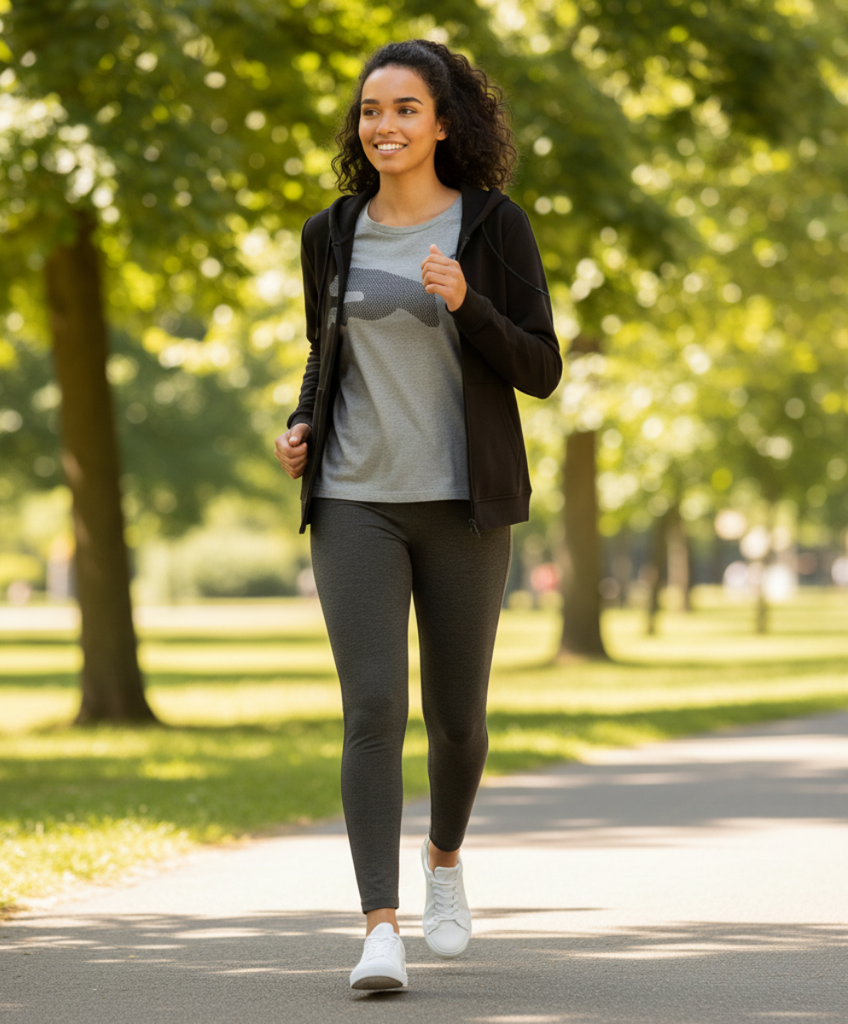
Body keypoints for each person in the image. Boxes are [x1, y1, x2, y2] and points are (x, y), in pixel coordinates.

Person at [274, 38, 562, 991]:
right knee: (372, 708)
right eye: (370, 110)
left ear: (443, 123)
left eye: (404, 109)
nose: (384, 125)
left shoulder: (494, 225)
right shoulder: (331, 232)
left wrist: (469, 303)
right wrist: (302, 424)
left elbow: (542, 368)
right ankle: (379, 927)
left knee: (458, 720)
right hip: (355, 498)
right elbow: (324, 352)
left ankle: (444, 859)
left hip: (463, 504)